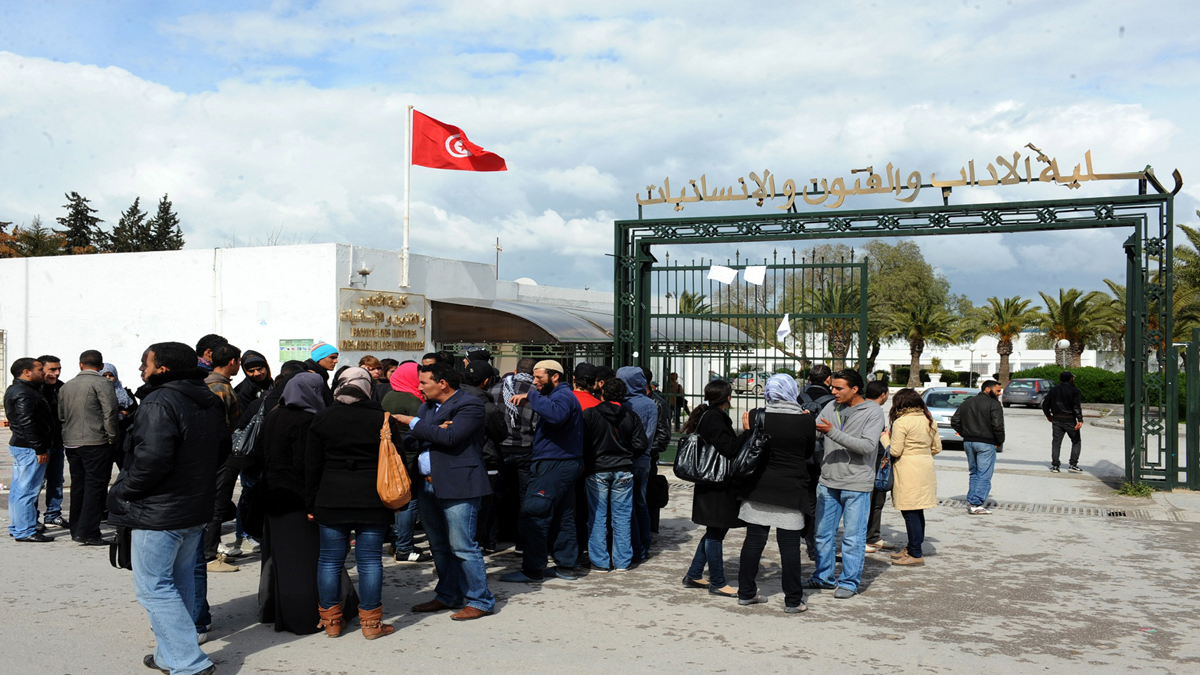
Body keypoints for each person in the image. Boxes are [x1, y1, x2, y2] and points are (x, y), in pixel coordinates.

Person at [107, 342, 222, 675]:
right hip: (192, 506)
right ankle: (168, 653)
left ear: (163, 369)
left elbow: (152, 460)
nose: (142, 369)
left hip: (160, 511)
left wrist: (122, 492)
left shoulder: (160, 401)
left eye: (146, 364)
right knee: (180, 582)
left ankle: (188, 662)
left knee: (154, 587)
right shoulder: (207, 397)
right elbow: (221, 447)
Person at [258, 371, 359, 634]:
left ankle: (282, 612)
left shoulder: (275, 415)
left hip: (274, 497)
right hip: (298, 500)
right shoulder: (306, 421)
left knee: (283, 559)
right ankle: (305, 616)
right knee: (306, 561)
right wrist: (314, 503)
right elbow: (306, 466)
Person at [306, 367, 401, 639]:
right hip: (373, 496)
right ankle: (371, 624)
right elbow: (398, 460)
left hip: (330, 496)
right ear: (368, 388)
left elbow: (311, 464)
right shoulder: (382, 418)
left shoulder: (323, 416)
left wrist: (310, 504)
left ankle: (331, 621)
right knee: (370, 561)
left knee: (329, 561)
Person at [397, 362, 496, 621]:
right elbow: (410, 440)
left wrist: (416, 424)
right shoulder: (427, 407)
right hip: (428, 483)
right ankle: (447, 594)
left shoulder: (470, 404)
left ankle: (480, 599)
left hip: (459, 483)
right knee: (439, 545)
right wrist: (431, 431)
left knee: (462, 545)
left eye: (424, 383)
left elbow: (452, 438)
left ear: (442, 383)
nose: (419, 388)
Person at [735, 375, 816, 613]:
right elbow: (808, 452)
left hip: (759, 486)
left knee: (753, 541)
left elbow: (749, 447)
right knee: (790, 547)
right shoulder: (806, 420)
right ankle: (792, 600)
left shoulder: (757, 415)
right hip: (791, 487)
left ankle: (746, 593)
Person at [500, 359, 585, 583]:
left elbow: (556, 415)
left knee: (534, 512)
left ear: (554, 376)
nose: (534, 382)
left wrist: (532, 396)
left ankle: (533, 569)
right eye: (534, 378)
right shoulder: (559, 395)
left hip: (555, 465)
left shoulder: (562, 396)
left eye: (539, 378)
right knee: (562, 515)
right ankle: (565, 565)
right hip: (560, 463)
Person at [807, 369, 887, 599]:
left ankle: (849, 583)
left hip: (857, 484)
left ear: (855, 389)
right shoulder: (831, 406)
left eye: (838, 388)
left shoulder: (872, 412)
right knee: (822, 534)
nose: (833, 392)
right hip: (828, 480)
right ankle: (823, 577)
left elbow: (867, 446)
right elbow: (815, 432)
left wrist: (831, 431)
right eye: (832, 387)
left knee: (853, 538)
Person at [681, 380, 742, 597]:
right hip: (716, 484)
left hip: (713, 484)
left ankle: (694, 574)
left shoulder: (710, 415)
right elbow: (730, 448)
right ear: (727, 397)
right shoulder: (715, 418)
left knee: (714, 531)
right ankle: (717, 582)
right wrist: (747, 432)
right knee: (716, 532)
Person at [581, 378, 646, 572]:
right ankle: (622, 561)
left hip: (598, 469)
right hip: (623, 468)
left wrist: (590, 458)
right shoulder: (631, 416)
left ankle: (600, 561)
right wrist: (627, 454)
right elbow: (641, 444)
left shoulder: (591, 414)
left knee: (597, 516)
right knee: (622, 517)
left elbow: (583, 442)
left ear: (602, 392)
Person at [58, 349, 120, 546]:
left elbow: (61, 414)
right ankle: (89, 531)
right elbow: (110, 412)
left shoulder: (67, 386)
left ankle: (77, 528)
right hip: (95, 441)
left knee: (78, 485)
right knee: (96, 487)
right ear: (101, 367)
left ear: (80, 365)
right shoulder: (103, 383)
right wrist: (112, 437)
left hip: (71, 440)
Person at [381, 361, 432, 564]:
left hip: (393, 456)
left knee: (400, 501)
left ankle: (398, 541)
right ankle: (404, 547)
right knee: (408, 502)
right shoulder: (412, 401)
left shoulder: (390, 395)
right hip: (409, 458)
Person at [885, 388, 941, 567]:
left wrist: (884, 438)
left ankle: (916, 553)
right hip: (925, 466)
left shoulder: (902, 422)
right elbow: (937, 447)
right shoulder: (928, 419)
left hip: (908, 467)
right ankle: (912, 547)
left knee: (910, 512)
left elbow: (895, 450)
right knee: (917, 511)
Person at [202, 343, 244, 572]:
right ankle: (209, 554)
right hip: (221, 456)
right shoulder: (220, 388)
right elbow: (225, 426)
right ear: (232, 362)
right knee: (217, 505)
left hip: (209, 455)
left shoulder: (209, 383)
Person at [490, 358, 539, 550]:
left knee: (497, 496)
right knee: (524, 498)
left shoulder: (495, 390)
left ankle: (491, 541)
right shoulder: (535, 394)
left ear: (515, 370)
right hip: (526, 449)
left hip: (500, 449)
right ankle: (522, 543)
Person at [459, 360, 507, 553]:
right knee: (484, 509)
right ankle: (481, 545)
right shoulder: (487, 408)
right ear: (486, 381)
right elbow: (501, 434)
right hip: (485, 461)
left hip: (455, 461)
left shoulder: (450, 400)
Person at [5, 357, 54, 542]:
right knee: (27, 490)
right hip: (29, 448)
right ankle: (24, 530)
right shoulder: (23, 393)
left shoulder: (22, 390)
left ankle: (19, 526)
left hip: (24, 446)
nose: (43, 372)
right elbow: (28, 423)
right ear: (27, 372)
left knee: (19, 489)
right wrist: (39, 448)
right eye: (40, 369)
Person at [616, 366, 659, 562]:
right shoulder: (650, 403)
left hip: (625, 459)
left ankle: (633, 546)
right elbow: (649, 434)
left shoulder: (621, 404)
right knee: (641, 503)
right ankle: (645, 542)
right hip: (644, 459)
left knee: (625, 506)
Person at [951, 379, 1005, 515]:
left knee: (974, 472)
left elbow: (955, 420)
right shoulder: (994, 404)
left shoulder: (967, 402)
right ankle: (976, 503)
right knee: (984, 474)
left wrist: (965, 433)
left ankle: (972, 500)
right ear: (987, 389)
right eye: (997, 390)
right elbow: (998, 425)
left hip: (969, 442)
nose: (999, 393)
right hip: (985, 443)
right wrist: (999, 441)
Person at [798, 364, 836, 558]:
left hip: (800, 453)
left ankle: (803, 534)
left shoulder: (798, 397)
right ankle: (815, 544)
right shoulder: (833, 401)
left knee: (805, 497)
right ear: (828, 380)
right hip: (824, 455)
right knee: (822, 498)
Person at [862, 380, 895, 553]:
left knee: (877, 501)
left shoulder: (872, 409)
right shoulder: (868, 410)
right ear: (883, 394)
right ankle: (863, 539)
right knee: (867, 502)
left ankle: (873, 536)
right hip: (868, 461)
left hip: (878, 460)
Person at [37, 354, 68, 531]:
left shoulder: (62, 388)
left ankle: (53, 514)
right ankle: (32, 517)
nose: (55, 374)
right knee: (36, 483)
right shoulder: (34, 389)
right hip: (39, 445)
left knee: (56, 481)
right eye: (52, 370)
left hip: (57, 442)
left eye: (58, 370)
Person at [1043, 371, 1084, 473]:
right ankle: (1073, 464)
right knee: (1076, 441)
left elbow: (1045, 404)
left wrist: (1048, 415)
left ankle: (1055, 466)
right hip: (1070, 420)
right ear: (1070, 379)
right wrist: (1080, 419)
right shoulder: (1075, 391)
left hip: (1056, 419)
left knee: (1056, 442)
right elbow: (1076, 406)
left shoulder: (1054, 390)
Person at [101, 363, 139, 468]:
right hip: (105, 438)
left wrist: (123, 415)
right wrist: (120, 414)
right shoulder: (96, 394)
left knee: (125, 467)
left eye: (111, 375)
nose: (108, 378)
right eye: (104, 376)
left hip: (123, 436)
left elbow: (135, 412)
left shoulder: (126, 394)